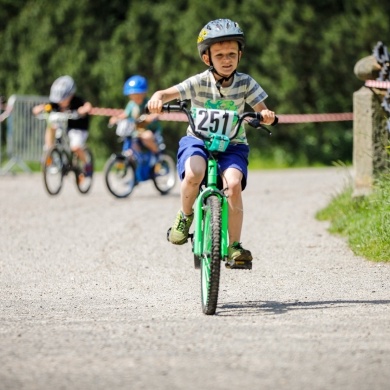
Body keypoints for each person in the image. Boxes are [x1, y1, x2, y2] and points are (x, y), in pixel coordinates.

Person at [147, 18, 276, 269]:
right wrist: (156, 98)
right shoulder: (198, 82)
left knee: (234, 185)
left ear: (240, 55)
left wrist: (266, 116)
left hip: (233, 145)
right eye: (219, 55)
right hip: (198, 142)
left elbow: (264, 111)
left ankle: (234, 246)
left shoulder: (246, 83)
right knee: (195, 172)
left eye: (231, 54)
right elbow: (165, 94)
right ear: (208, 58)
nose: (226, 60)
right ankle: (185, 217)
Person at [32, 75, 92, 166]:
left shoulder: (77, 101)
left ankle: (87, 164)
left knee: (75, 147)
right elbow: (44, 107)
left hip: (78, 128)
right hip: (64, 127)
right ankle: (49, 150)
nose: (60, 102)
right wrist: (38, 109)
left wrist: (83, 110)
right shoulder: (55, 103)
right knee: (51, 126)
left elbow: (87, 106)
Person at [109, 75, 161, 155]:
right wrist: (116, 118)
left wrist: (150, 118)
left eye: (137, 95)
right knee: (131, 142)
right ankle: (139, 160)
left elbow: (157, 113)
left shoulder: (149, 103)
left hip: (150, 130)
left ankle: (157, 154)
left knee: (146, 137)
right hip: (137, 131)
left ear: (143, 93)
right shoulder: (131, 105)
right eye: (132, 95)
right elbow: (125, 114)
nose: (135, 97)